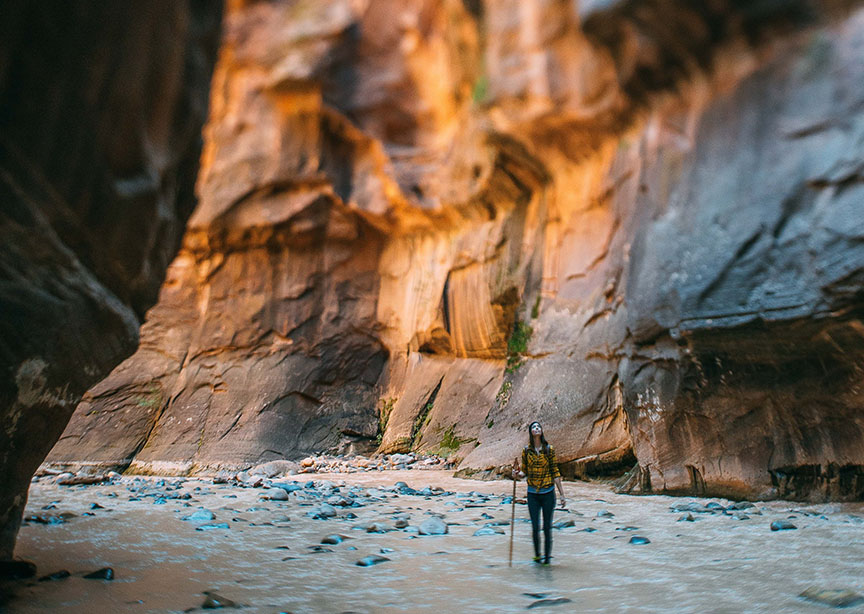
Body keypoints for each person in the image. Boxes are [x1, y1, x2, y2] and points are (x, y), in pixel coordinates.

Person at [512, 421, 566, 565]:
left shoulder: (549, 449)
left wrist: (562, 494)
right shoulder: (526, 451)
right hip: (533, 494)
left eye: (538, 427)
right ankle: (537, 556)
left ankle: (547, 559)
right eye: (534, 427)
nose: (536, 429)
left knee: (547, 528)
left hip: (548, 492)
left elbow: (555, 471)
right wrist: (516, 474)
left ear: (541, 431)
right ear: (530, 432)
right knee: (535, 527)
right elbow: (525, 472)